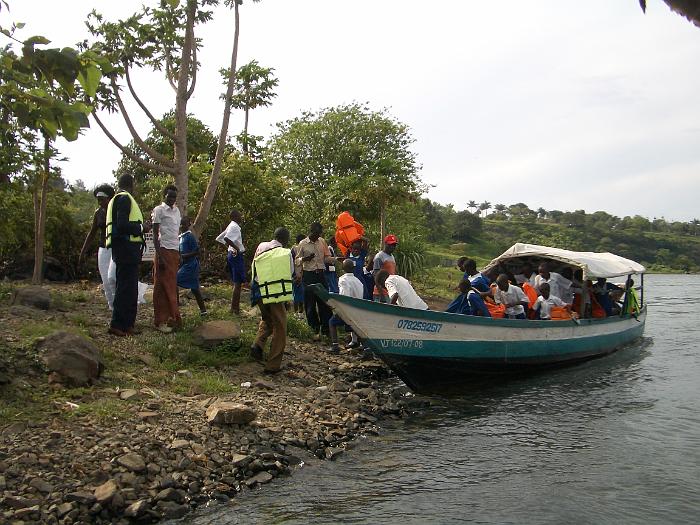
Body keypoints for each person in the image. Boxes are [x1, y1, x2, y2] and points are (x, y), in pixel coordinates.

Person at [250, 227, 295, 374]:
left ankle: (258, 344)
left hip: (258, 290)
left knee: (267, 319)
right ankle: (273, 365)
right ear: (286, 240)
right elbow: (290, 272)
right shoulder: (285, 253)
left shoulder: (261, 246)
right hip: (274, 293)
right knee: (280, 327)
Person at [106, 174, 145, 336]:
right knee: (125, 288)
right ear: (132, 184)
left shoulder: (117, 199)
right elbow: (122, 225)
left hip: (126, 250)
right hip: (126, 249)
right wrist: (141, 228)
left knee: (129, 288)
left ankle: (128, 324)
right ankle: (117, 324)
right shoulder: (124, 199)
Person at [79, 184, 116, 309]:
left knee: (113, 278)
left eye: (102, 199)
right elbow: (92, 232)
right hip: (103, 248)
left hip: (116, 248)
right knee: (106, 280)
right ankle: (112, 307)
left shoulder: (116, 211)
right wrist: (83, 251)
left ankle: (120, 305)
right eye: (98, 199)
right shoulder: (98, 213)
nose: (100, 202)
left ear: (110, 198)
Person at [295, 222, 335, 337]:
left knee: (324, 301)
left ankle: (326, 329)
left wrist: (335, 259)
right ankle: (314, 329)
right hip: (309, 275)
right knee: (310, 304)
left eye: (319, 234)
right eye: (316, 233)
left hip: (321, 275)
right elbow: (296, 261)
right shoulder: (303, 244)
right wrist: (305, 259)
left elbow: (326, 258)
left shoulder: (322, 241)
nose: (318, 236)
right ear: (311, 232)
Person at [151, 184, 182, 333]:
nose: (172, 199)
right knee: (161, 287)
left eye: (174, 197)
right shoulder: (159, 210)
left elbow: (176, 233)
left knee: (172, 286)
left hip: (174, 251)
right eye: (169, 196)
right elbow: (155, 236)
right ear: (164, 195)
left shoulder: (177, 211)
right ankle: (160, 320)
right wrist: (160, 257)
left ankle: (172, 318)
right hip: (163, 251)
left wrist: (179, 253)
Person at [328, 259, 365, 354]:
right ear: (353, 268)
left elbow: (344, 297)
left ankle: (335, 346)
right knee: (356, 328)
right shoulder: (358, 281)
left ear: (342, 268)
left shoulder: (343, 280)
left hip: (348, 310)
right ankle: (366, 348)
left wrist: (338, 308)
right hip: (358, 310)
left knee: (332, 322)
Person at [177, 216, 207, 316]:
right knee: (195, 289)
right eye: (181, 224)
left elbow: (196, 251)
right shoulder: (181, 236)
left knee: (174, 280)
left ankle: (175, 306)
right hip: (185, 264)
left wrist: (183, 256)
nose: (182, 226)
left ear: (189, 224)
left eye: (184, 224)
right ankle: (203, 311)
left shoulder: (189, 236)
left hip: (191, 265)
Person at [218, 209, 246, 315]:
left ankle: (235, 308)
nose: (241, 217)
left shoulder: (231, 225)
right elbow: (226, 238)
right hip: (236, 256)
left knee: (237, 282)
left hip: (232, 254)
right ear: (235, 217)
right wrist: (237, 248)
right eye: (239, 215)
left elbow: (220, 238)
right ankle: (235, 309)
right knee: (238, 283)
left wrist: (230, 248)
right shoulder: (234, 226)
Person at [372, 235, 398, 302]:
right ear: (385, 244)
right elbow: (376, 275)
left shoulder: (392, 257)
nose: (392, 247)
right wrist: (381, 293)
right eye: (390, 244)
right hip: (380, 292)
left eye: (394, 245)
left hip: (389, 291)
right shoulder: (379, 256)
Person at [290, 234, 306, 315]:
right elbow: (292, 263)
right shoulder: (294, 249)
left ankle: (301, 313)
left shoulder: (303, 249)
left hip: (302, 275)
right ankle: (296, 313)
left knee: (301, 295)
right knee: (296, 295)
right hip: (296, 275)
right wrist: (294, 275)